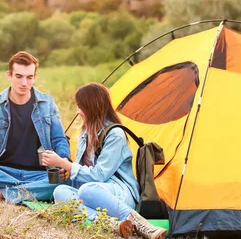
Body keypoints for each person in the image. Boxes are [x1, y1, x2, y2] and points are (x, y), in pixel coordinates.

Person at [42, 83, 167, 239]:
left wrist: (64, 163)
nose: (77, 112)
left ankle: (139, 223)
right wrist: (65, 173)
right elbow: (83, 173)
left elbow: (99, 176)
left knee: (87, 189)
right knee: (59, 192)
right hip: (92, 192)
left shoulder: (115, 134)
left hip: (119, 193)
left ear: (91, 108)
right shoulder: (84, 133)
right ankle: (112, 224)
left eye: (81, 107)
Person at [0, 51, 71, 203]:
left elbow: (59, 139)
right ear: (9, 75)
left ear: (35, 77)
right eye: (19, 76)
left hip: (39, 173)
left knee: (67, 179)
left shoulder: (48, 104)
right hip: (3, 170)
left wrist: (64, 161)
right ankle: (35, 191)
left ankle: (0, 194)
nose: (24, 83)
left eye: (29, 77)